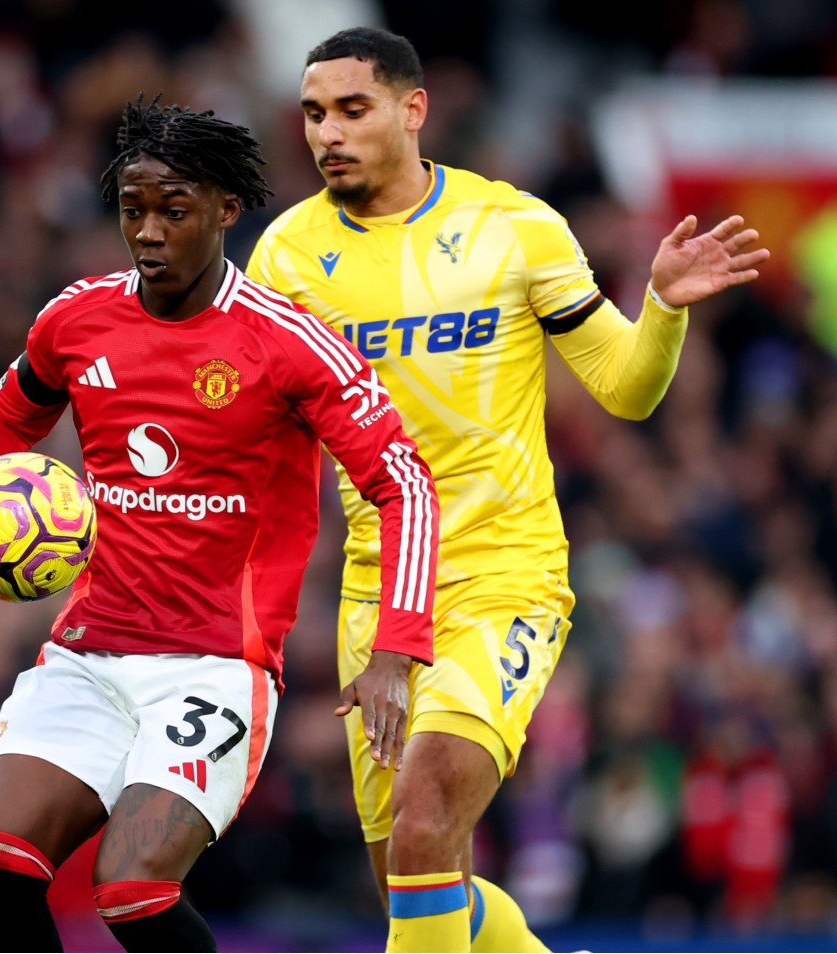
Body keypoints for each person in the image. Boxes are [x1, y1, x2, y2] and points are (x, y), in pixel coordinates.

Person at [0, 95, 439, 954]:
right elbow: (11, 411)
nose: (147, 232)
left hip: (215, 669)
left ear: (225, 209)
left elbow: (402, 480)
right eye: (132, 210)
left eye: (172, 211)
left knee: (131, 888)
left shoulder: (288, 343)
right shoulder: (79, 317)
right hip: (90, 653)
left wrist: (397, 650)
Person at [246, 26, 770, 954]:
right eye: (315, 114)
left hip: (506, 576)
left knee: (426, 815)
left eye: (353, 109)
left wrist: (661, 313)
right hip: (377, 594)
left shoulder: (516, 228)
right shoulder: (286, 257)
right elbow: (261, 434)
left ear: (413, 111)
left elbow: (627, 388)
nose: (328, 132)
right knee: (415, 878)